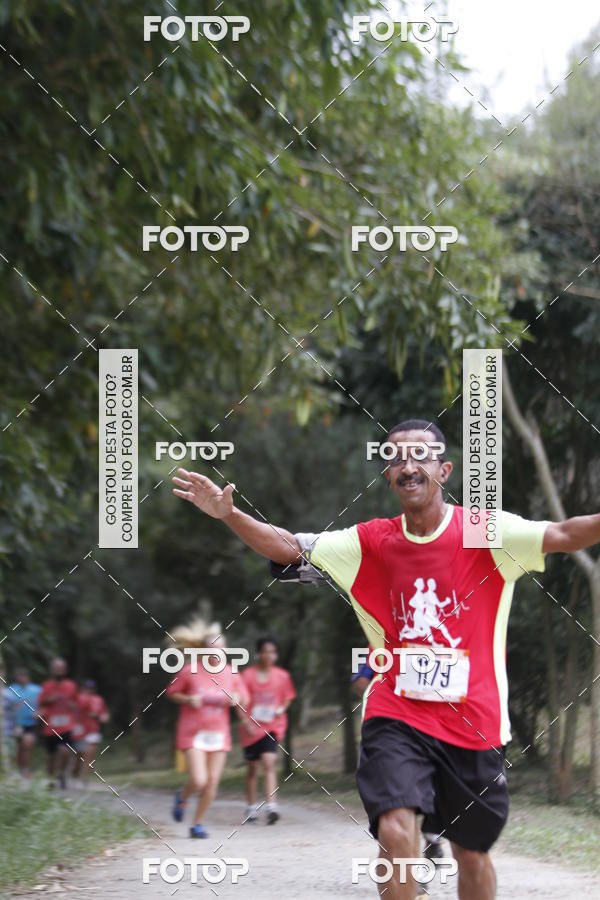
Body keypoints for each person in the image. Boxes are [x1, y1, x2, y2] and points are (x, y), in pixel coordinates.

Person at [172, 417, 600, 899]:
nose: (407, 465)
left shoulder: (484, 531)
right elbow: (290, 547)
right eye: (395, 457)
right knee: (396, 832)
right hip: (397, 714)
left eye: (420, 456)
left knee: (471, 853)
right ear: (387, 475)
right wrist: (230, 514)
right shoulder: (369, 542)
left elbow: (564, 533)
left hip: (474, 722)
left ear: (444, 470)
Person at [166, 616, 249, 838]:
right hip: (192, 733)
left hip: (218, 734)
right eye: (212, 648)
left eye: (220, 648)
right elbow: (172, 692)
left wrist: (237, 697)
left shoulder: (231, 672)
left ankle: (197, 824)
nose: (216, 653)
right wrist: (187, 699)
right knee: (199, 779)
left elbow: (244, 697)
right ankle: (183, 796)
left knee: (212, 783)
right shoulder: (189, 670)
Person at [239, 636, 296, 825]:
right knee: (252, 768)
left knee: (268, 762)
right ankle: (251, 807)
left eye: (272, 652)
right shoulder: (247, 676)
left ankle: (272, 807)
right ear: (258, 654)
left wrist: (281, 709)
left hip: (272, 726)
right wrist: (246, 722)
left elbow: (288, 697)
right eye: (265, 651)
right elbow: (239, 701)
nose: (269, 655)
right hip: (251, 727)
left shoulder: (282, 676)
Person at [38, 658, 78, 788]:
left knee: (64, 750)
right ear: (52, 670)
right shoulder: (46, 685)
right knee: (51, 756)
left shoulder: (71, 685)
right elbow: (41, 703)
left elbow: (76, 703)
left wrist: (73, 706)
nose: (58, 671)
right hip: (50, 726)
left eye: (61, 668)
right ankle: (51, 779)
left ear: (65, 670)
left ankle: (62, 773)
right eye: (56, 668)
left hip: (66, 725)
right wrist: (49, 699)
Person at [71, 679, 109, 783]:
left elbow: (103, 713)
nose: (89, 690)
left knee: (90, 753)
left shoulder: (98, 700)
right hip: (79, 730)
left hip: (93, 730)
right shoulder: (78, 698)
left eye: (91, 688)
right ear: (82, 688)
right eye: (87, 688)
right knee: (78, 756)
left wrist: (104, 717)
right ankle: (74, 774)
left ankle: (85, 777)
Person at [7, 668, 41, 777]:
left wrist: (39, 712)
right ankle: (15, 770)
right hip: (15, 723)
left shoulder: (37, 690)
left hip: (30, 723)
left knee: (27, 745)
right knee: (16, 748)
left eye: (24, 675)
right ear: (17, 677)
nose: (22, 678)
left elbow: (43, 704)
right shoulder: (11, 689)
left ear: (28, 677)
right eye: (20, 675)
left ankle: (25, 769)